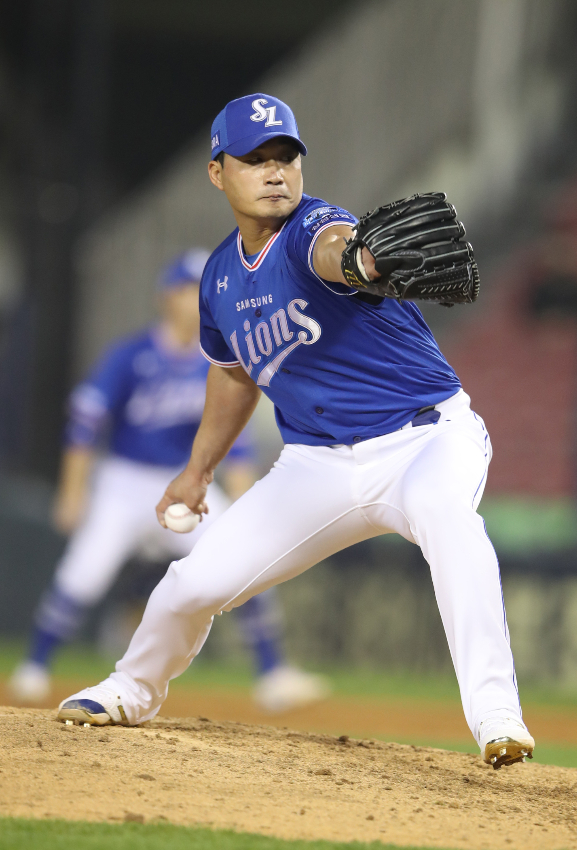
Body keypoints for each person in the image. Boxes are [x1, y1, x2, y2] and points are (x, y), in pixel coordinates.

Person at [58, 93, 535, 769]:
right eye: (255, 159)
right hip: (318, 466)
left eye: (285, 156)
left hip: (426, 438)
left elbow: (336, 250)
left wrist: (361, 262)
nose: (275, 171)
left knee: (447, 518)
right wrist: (197, 472)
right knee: (193, 583)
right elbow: (233, 377)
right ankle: (131, 688)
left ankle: (495, 715)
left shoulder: (316, 227)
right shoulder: (219, 279)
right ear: (217, 172)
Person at [10, 249, 328, 713]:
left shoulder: (216, 361)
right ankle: (35, 666)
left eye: (200, 290)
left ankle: (271, 673)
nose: (193, 298)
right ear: (166, 297)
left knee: (242, 557)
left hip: (187, 481)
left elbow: (235, 445)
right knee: (85, 572)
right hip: (125, 481)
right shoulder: (131, 354)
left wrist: (246, 504)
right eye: (185, 289)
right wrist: (73, 491)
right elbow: (84, 425)